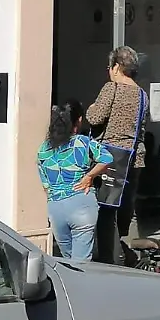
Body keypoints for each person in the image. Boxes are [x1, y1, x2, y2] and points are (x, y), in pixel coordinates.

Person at [86, 46, 149, 264]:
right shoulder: (142, 94)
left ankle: (110, 259)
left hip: (110, 158)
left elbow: (95, 118)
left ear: (116, 67)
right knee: (126, 210)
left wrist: (92, 107)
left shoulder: (111, 89)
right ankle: (131, 254)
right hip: (134, 158)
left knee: (106, 211)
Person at [38, 100, 114, 261]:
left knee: (67, 261)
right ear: (78, 121)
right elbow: (107, 159)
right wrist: (89, 176)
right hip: (81, 203)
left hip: (56, 208)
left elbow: (46, 187)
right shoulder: (83, 142)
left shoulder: (44, 149)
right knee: (82, 263)